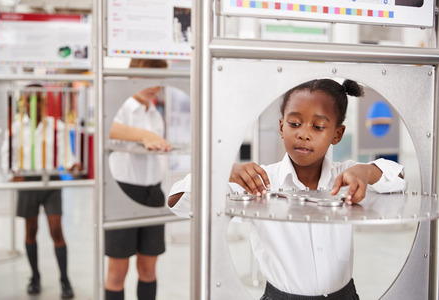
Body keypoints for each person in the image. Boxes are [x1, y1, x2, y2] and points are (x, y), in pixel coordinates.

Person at [167, 78, 406, 299]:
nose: (303, 134)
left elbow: (399, 176)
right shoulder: (258, 181)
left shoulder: (347, 177)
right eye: (294, 123)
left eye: (318, 127)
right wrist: (222, 172)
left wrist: (367, 171)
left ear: (337, 134)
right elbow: (177, 200)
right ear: (282, 127)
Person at [0, 84, 78, 298]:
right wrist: (12, 173)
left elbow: (66, 156)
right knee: (30, 230)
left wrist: (72, 165)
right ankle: (35, 276)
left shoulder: (56, 126)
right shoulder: (15, 129)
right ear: (23, 103)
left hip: (50, 180)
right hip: (27, 180)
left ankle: (65, 279)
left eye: (38, 100)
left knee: (56, 231)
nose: (33, 104)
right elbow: (8, 157)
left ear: (45, 102)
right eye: (28, 100)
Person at [105, 59, 171, 300]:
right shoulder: (118, 107)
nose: (154, 86)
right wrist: (143, 135)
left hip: (153, 194)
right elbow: (106, 127)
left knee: (148, 269)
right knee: (117, 272)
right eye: (147, 78)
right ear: (132, 76)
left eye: (159, 80)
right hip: (123, 193)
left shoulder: (155, 114)